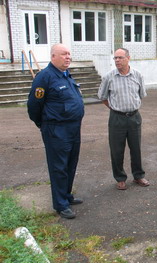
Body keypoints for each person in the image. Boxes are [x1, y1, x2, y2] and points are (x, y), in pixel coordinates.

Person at [27, 44, 84, 219]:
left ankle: (66, 196)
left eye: (69, 54)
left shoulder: (66, 75)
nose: (68, 57)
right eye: (64, 54)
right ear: (53, 57)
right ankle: (60, 205)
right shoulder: (44, 77)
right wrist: (43, 124)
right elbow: (34, 106)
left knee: (70, 164)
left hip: (73, 129)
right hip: (56, 130)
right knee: (58, 167)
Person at [98, 48, 149, 190]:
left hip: (134, 117)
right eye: (115, 58)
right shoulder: (109, 77)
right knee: (116, 149)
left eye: (120, 57)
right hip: (117, 118)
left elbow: (141, 94)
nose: (117, 60)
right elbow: (103, 97)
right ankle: (120, 178)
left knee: (136, 148)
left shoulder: (137, 75)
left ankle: (138, 176)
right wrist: (115, 109)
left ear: (128, 58)